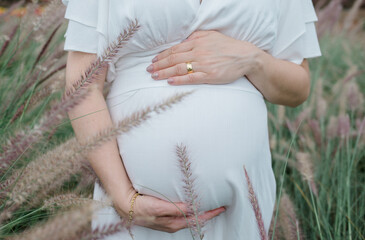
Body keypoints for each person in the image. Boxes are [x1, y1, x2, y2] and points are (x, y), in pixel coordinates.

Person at [62, 0, 322, 239]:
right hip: (133, 209)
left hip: (241, 203)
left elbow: (298, 88)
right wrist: (122, 197)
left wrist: (254, 60)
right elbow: (83, 86)